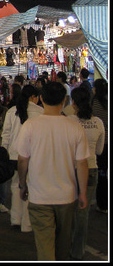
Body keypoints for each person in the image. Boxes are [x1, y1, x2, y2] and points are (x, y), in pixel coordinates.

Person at [16, 82, 90, 261]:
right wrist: (83, 193)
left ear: (41, 99)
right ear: (65, 100)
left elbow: (22, 160)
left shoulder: (30, 126)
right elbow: (82, 164)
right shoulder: (75, 128)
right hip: (67, 196)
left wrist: (22, 184)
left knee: (45, 245)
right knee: (63, 246)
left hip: (39, 196)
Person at [68, 86, 105, 260]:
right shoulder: (98, 122)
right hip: (91, 169)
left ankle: (65, 246)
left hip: (71, 169)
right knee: (83, 213)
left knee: (67, 210)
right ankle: (78, 251)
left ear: (73, 103)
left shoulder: (70, 121)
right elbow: (99, 150)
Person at [1, 84, 43, 232]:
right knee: (30, 187)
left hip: (14, 155)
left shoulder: (12, 111)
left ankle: (15, 219)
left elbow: (5, 135)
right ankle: (27, 224)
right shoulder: (40, 112)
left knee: (15, 186)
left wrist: (5, 153)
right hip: (33, 156)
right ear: (33, 97)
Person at [91, 79, 108, 213]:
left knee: (100, 172)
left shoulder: (94, 103)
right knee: (103, 173)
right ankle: (103, 202)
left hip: (99, 142)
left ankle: (101, 202)